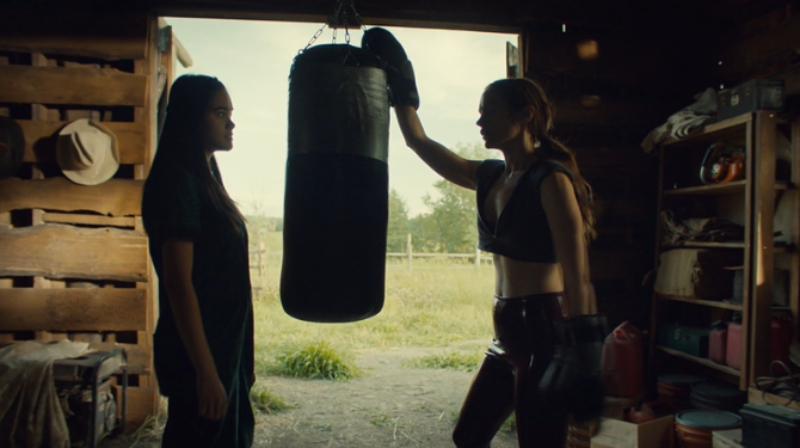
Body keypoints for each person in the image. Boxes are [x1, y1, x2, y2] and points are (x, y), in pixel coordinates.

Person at [362, 28, 607, 448]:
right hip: (506, 334)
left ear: (524, 115)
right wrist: (401, 84)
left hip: (544, 330)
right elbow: (417, 141)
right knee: (468, 436)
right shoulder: (490, 176)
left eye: (489, 111)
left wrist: (586, 362)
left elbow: (578, 275)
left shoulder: (550, 180)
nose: (479, 121)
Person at [141, 74, 254, 447]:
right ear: (191, 117)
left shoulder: (206, 177)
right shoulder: (179, 182)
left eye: (230, 113)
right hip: (200, 353)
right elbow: (178, 283)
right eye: (220, 113)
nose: (231, 122)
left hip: (223, 348)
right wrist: (206, 372)